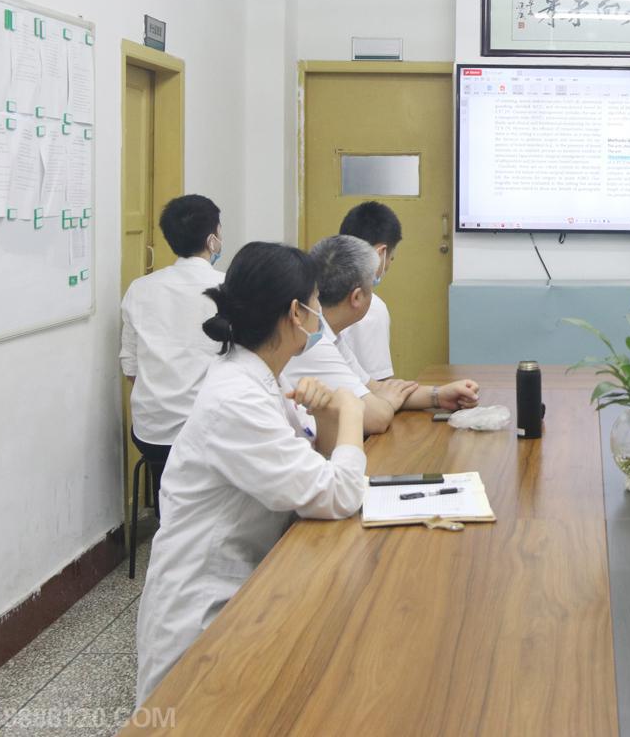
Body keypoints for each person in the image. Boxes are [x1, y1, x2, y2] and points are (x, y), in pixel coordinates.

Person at [135, 242, 369, 702]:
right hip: (202, 609)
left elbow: (313, 467)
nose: (321, 316)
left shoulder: (259, 376)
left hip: (245, 584)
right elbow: (338, 492)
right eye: (316, 302)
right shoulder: (236, 398)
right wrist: (351, 409)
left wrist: (326, 415)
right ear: (296, 313)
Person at [283, 235, 478, 433]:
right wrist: (387, 403)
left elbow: (374, 388)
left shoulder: (330, 333)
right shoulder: (313, 344)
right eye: (372, 285)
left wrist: (437, 395)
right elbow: (375, 418)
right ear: (357, 297)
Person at [118, 194, 224, 492]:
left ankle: (165, 511)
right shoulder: (227, 288)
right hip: (209, 434)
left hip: (151, 435)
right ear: (212, 240)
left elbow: (130, 370)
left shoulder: (140, 289)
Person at [336, 201, 400, 380]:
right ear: (381, 253)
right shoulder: (370, 307)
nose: (388, 265)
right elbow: (379, 386)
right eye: (391, 258)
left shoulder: (316, 291)